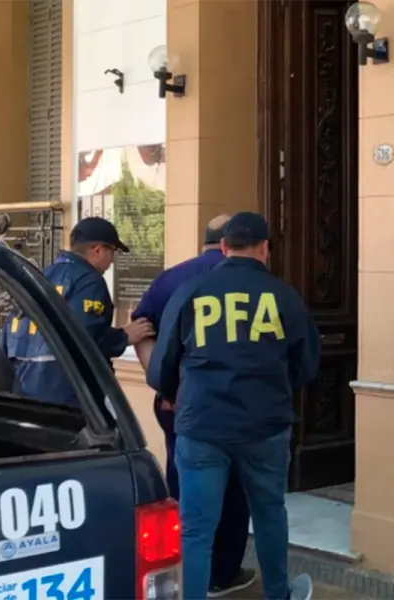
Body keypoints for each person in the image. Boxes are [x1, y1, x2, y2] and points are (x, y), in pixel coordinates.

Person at [147, 212, 320, 600]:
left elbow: (161, 367)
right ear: (265, 250)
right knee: (270, 513)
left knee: (196, 527)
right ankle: (279, 593)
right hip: (265, 426)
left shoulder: (191, 291)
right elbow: (307, 365)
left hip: (201, 426)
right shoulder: (284, 297)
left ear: (223, 247)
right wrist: (273, 387)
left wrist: (179, 393)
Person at [132, 214, 255, 598]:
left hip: (178, 407)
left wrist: (165, 383)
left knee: (184, 486)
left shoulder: (171, 279)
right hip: (238, 408)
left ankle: (181, 575)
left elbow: (140, 329)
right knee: (234, 491)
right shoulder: (254, 282)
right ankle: (223, 573)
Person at [0, 217, 154, 405]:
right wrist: (123, 336)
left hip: (25, 401)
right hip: (68, 401)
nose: (112, 261)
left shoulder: (39, 276)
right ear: (98, 250)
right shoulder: (89, 282)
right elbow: (85, 340)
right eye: (112, 252)